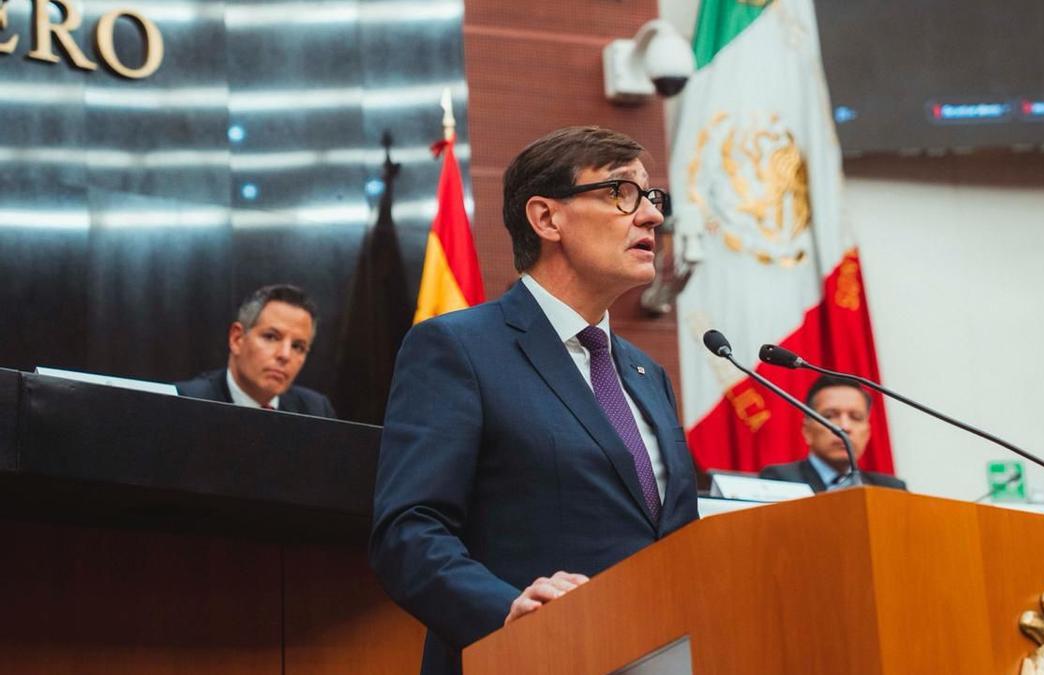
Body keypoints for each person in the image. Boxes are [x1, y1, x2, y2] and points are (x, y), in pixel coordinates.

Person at [369, 127, 699, 675]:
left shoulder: (648, 374)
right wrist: (508, 612)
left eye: (652, 197)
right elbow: (408, 531)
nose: (650, 217)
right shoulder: (459, 349)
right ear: (546, 218)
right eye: (622, 193)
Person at [175, 284, 335, 418]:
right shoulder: (183, 402)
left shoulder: (316, 410)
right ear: (237, 339)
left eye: (297, 346)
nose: (285, 355)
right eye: (271, 337)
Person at [759, 375, 905, 492]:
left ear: (867, 433)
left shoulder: (891, 489)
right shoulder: (779, 481)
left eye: (855, 417)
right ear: (807, 431)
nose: (844, 427)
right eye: (830, 416)